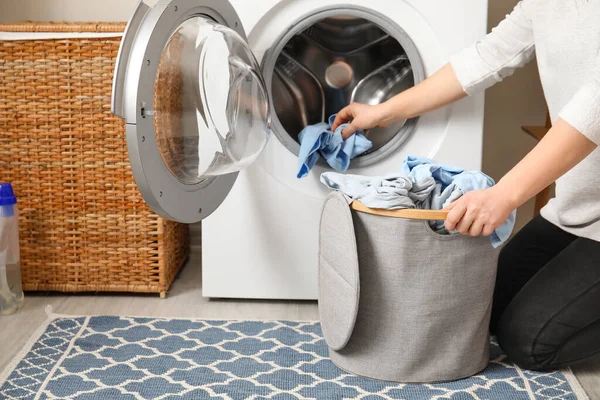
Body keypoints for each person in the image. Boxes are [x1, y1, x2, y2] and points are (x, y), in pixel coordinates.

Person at [332, 0, 600, 371]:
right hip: (579, 208)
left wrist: (503, 195)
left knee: (531, 344)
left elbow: (595, 107)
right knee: (484, 308)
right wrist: (384, 111)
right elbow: (488, 56)